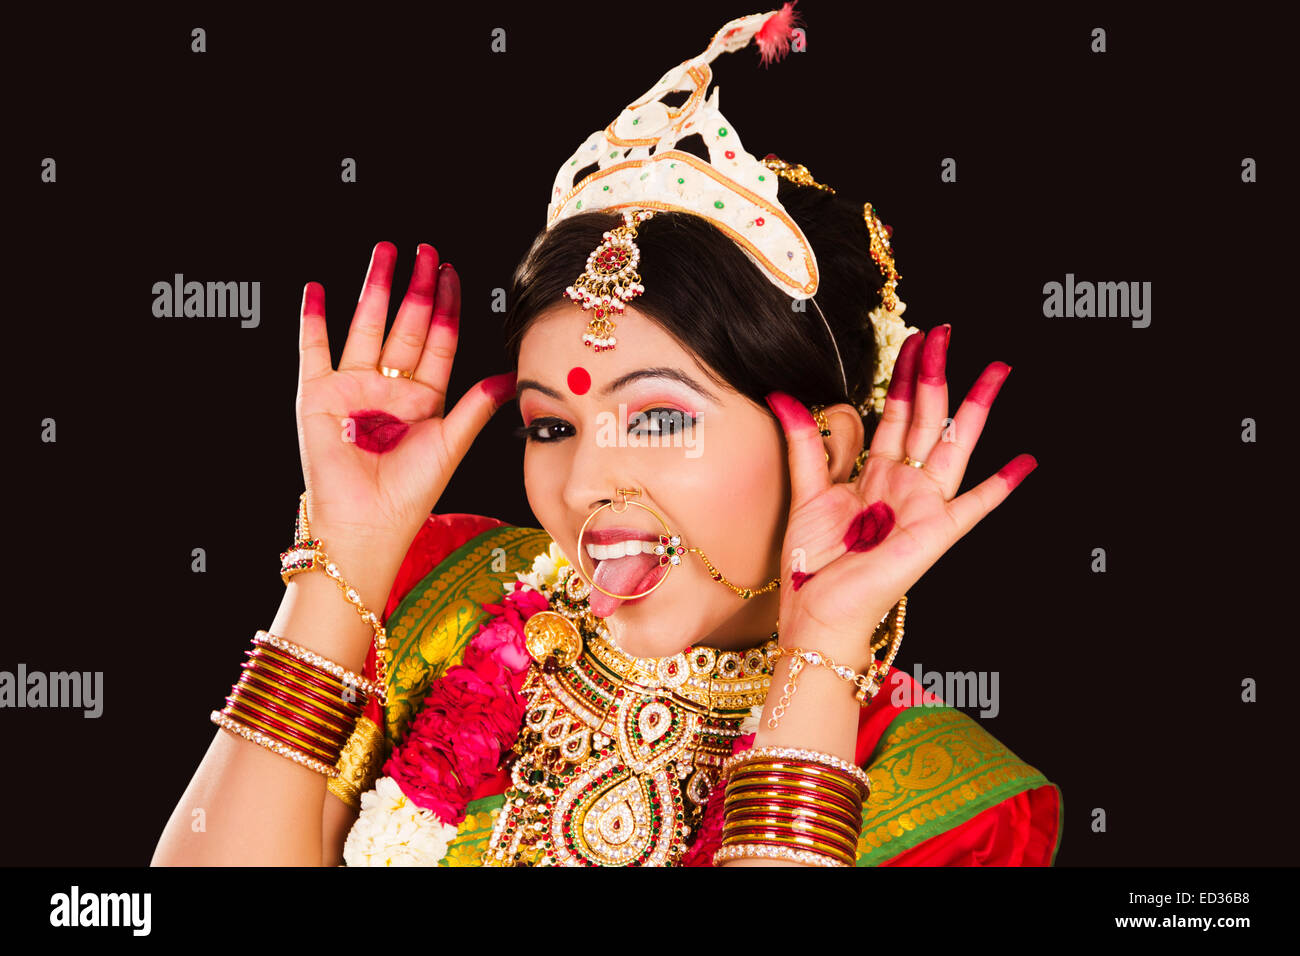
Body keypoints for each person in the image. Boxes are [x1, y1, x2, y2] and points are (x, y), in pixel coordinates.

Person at [152, 4, 1061, 868]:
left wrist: (822, 653)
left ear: (822, 449)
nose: (584, 478)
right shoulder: (439, 598)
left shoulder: (953, 801)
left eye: (660, 417)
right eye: (552, 423)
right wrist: (342, 560)